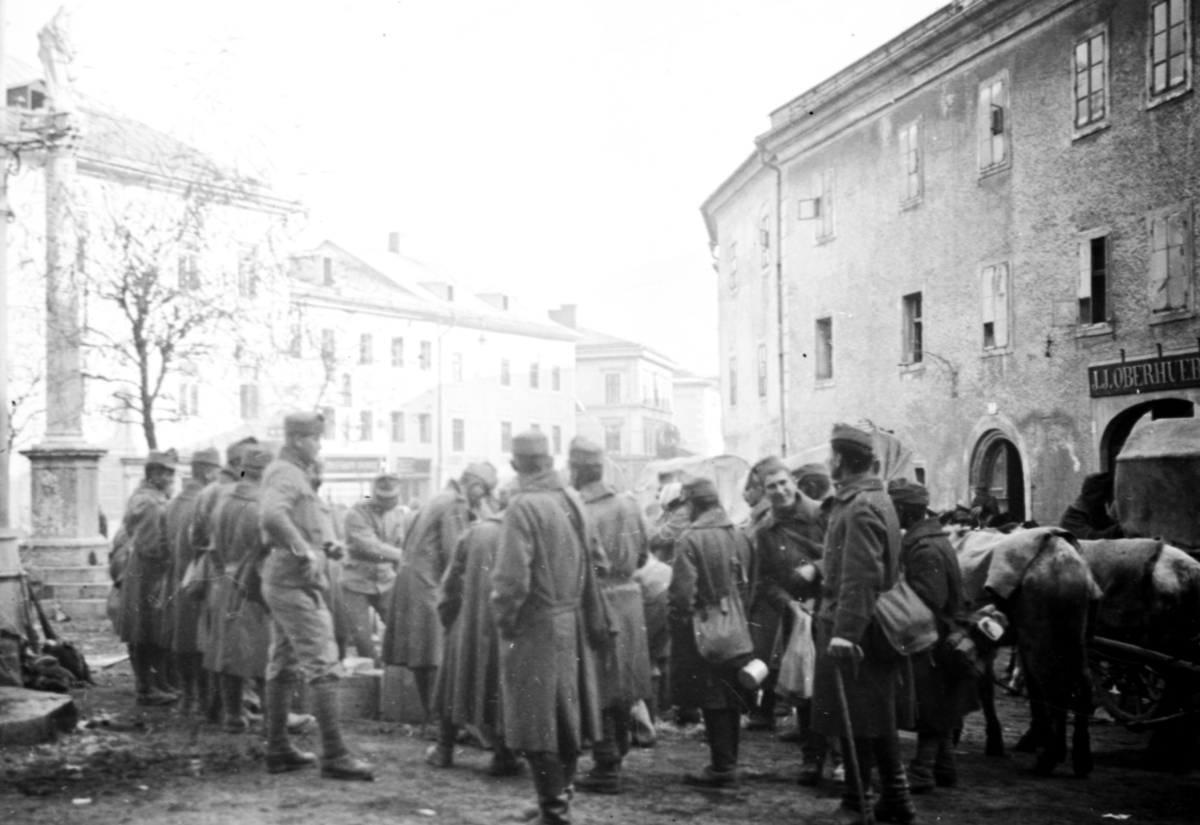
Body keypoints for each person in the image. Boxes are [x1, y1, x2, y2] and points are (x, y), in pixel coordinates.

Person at [492, 431, 608, 825]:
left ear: (515, 466)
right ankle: (556, 800)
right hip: (572, 623)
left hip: (537, 626)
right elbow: (597, 561)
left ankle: (554, 812)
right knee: (567, 720)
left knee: (536, 721)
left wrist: (504, 621)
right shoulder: (570, 497)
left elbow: (511, 581)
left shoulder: (522, 506)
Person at [259, 411, 374, 781]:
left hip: (290, 581)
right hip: (293, 583)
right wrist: (304, 551)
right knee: (323, 664)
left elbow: (298, 521)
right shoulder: (285, 473)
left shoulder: (293, 474)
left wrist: (325, 546)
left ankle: (278, 749)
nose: (320, 445)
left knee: (284, 664)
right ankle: (336, 755)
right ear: (296, 440)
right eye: (315, 439)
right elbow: (272, 516)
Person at [811, 423, 915, 825]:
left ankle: (859, 803)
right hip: (871, 624)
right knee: (877, 715)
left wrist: (844, 635)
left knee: (853, 717)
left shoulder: (859, 506)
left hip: (857, 627)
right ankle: (897, 799)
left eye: (829, 457)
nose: (827, 462)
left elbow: (861, 576)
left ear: (838, 460)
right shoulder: (875, 497)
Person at [569, 437, 653, 795]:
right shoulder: (629, 504)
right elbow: (645, 556)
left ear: (576, 470)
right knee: (624, 687)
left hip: (598, 602)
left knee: (599, 685)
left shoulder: (578, 509)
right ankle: (615, 756)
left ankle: (606, 764)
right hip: (630, 601)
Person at [384, 463, 496, 725]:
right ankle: (439, 721)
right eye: (483, 492)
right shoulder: (455, 503)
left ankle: (435, 719)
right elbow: (455, 553)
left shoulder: (440, 496)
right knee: (433, 655)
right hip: (428, 583)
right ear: (474, 485)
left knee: (424, 655)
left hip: (415, 579)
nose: (483, 498)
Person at [887, 479, 977, 794]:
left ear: (903, 510)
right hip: (944, 637)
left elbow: (930, 599)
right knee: (940, 706)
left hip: (933, 639)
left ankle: (923, 772)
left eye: (893, 509)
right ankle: (945, 768)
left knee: (931, 709)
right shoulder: (933, 539)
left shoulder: (924, 547)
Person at [425, 481, 521, 776]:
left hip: (468, 623)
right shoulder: (527, 535)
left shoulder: (476, 532)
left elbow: (450, 582)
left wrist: (451, 619)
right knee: (502, 690)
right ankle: (503, 755)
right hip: (510, 627)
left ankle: (444, 749)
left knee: (453, 682)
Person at [669, 477, 754, 789]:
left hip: (704, 626)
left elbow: (681, 595)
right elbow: (748, 581)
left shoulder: (690, 538)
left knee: (713, 695)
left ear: (691, 504)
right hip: (737, 623)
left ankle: (722, 767)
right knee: (731, 693)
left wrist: (682, 619)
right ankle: (728, 761)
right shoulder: (737, 533)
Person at [754, 457, 832, 784]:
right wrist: (788, 604)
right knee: (803, 688)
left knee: (831, 684)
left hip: (829, 610)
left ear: (793, 482)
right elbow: (765, 580)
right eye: (772, 486)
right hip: (795, 615)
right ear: (764, 491)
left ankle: (840, 758)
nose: (780, 490)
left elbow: (845, 552)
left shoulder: (821, 513)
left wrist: (818, 567)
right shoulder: (765, 529)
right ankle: (812, 759)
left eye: (784, 482)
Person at [207, 446, 276, 733]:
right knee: (263, 651)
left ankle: (233, 715)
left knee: (228, 651)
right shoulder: (263, 506)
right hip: (255, 585)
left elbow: (211, 549)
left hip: (225, 581)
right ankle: (274, 717)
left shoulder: (223, 501)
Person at [192, 437, 257, 723]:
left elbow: (196, 538)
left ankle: (216, 707)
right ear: (236, 464)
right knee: (242, 643)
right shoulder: (242, 495)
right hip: (242, 577)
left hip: (216, 576)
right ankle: (241, 705)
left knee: (218, 643)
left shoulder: (210, 493)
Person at [119, 449, 180, 706]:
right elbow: (152, 544)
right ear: (153, 473)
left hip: (146, 571)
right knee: (145, 630)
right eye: (165, 472)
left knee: (152, 630)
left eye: (171, 472)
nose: (170, 477)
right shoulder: (150, 502)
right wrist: (168, 562)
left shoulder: (151, 497)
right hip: (149, 572)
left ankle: (157, 683)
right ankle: (147, 688)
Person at [164, 447, 222, 715]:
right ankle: (204, 699)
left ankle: (189, 697)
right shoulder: (206, 500)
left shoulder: (174, 502)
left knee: (182, 640)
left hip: (178, 580)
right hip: (201, 581)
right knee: (202, 642)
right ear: (210, 471)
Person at [341, 474, 406, 662]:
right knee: (362, 638)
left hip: (385, 580)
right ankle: (371, 678)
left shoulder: (397, 514)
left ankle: (391, 669)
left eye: (393, 498)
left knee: (399, 628)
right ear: (375, 495)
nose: (390, 502)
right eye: (384, 498)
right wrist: (404, 556)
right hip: (356, 582)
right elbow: (371, 547)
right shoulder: (356, 514)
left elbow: (400, 542)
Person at [1059, 472, 1124, 540]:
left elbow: (1109, 523)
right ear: (1087, 493)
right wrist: (1120, 528)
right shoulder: (1072, 518)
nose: (1105, 502)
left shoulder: (1095, 510)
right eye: (1100, 497)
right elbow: (1093, 538)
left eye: (1106, 497)